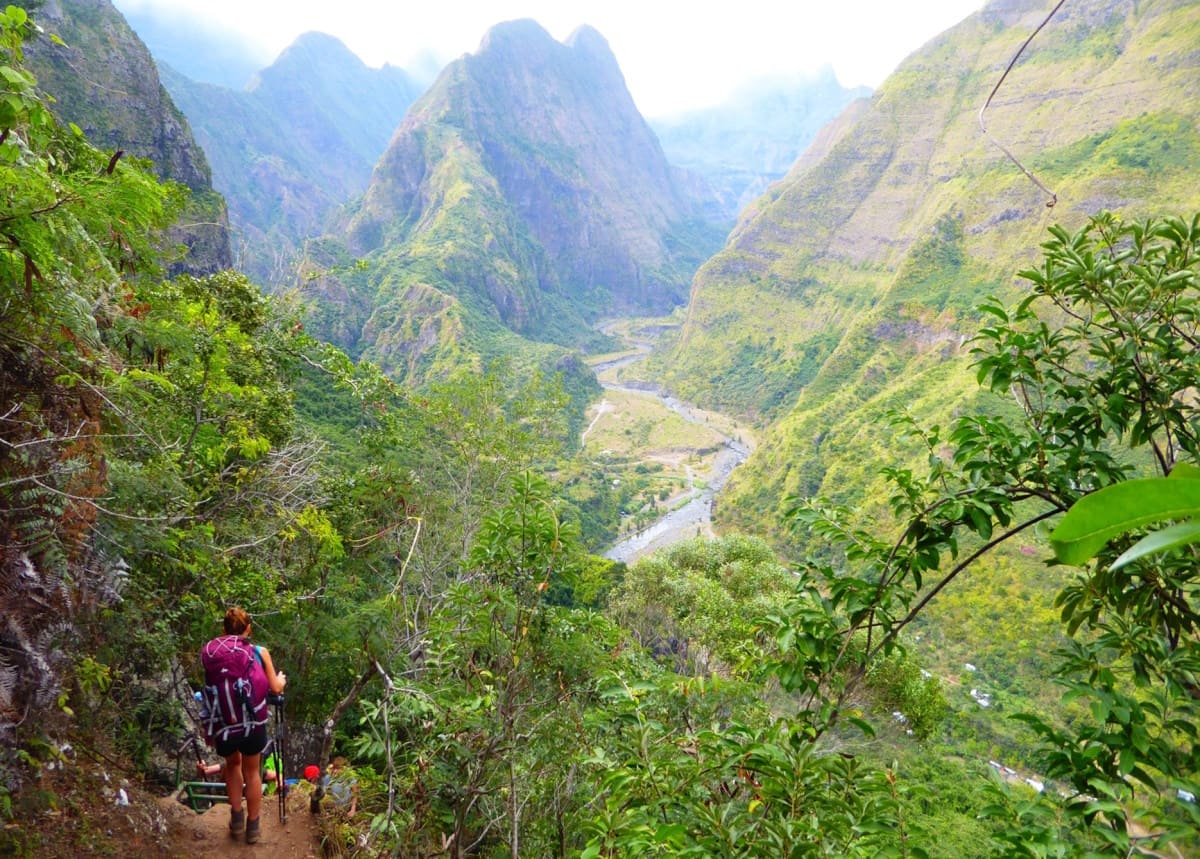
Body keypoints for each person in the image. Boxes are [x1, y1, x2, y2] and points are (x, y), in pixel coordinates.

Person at [206, 606, 286, 844]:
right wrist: (280, 679)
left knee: (232, 766)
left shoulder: (213, 654)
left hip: (224, 723)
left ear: (224, 629)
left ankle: (237, 818)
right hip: (253, 723)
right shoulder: (259, 652)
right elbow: (275, 688)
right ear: (248, 629)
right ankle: (253, 826)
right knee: (252, 772)